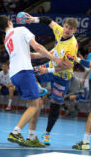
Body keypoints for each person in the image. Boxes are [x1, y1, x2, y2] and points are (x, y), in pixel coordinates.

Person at [0, 15, 63, 147]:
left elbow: (31, 54)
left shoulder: (6, 39)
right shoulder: (21, 30)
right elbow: (37, 47)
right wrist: (53, 59)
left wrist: (50, 53)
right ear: (9, 22)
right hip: (24, 71)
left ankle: (31, 136)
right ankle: (16, 132)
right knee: (34, 105)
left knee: (38, 102)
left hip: (14, 74)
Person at [26, 14, 78, 146]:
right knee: (31, 73)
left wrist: (48, 70)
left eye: (70, 29)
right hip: (51, 65)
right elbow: (48, 20)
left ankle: (47, 134)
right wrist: (34, 19)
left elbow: (67, 65)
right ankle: (39, 91)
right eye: (66, 26)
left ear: (74, 31)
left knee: (55, 104)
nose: (67, 30)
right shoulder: (60, 30)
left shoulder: (72, 45)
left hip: (63, 75)